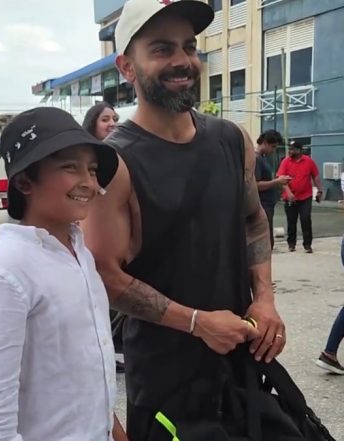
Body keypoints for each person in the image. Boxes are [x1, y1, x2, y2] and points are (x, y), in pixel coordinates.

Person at [82, 0, 280, 439]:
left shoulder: (231, 139)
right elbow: (106, 276)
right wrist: (196, 322)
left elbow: (253, 221)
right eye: (161, 49)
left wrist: (264, 298)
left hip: (240, 369)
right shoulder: (114, 163)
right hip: (166, 384)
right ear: (126, 68)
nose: (182, 61)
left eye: (188, 47)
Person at [0, 107, 126, 441]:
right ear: (24, 181)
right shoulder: (3, 276)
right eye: (69, 167)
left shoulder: (80, 255)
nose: (88, 183)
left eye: (92, 170)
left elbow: (89, 379)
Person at [82, 101, 126, 374]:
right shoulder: (85, 156)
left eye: (114, 118)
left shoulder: (120, 155)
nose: (111, 123)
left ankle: (112, 350)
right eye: (105, 119)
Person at [277, 140, 322, 253]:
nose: (290, 151)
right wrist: (289, 193)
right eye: (289, 149)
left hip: (305, 197)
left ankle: (307, 244)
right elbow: (281, 179)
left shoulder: (309, 161)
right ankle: (291, 244)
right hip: (290, 197)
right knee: (291, 221)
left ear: (299, 150)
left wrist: (320, 190)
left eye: (292, 149)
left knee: (305, 219)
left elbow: (315, 177)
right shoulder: (285, 162)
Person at [254, 129, 291, 250]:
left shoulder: (263, 158)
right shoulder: (256, 159)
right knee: (265, 241)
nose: (274, 150)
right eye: (273, 147)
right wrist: (276, 182)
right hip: (262, 204)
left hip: (268, 204)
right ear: (264, 142)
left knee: (268, 240)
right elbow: (256, 184)